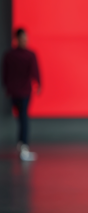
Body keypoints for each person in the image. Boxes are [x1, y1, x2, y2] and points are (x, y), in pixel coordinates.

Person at [2, 28, 40, 161]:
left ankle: (22, 145)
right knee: (22, 119)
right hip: (17, 92)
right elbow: (5, 74)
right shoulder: (11, 55)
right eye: (23, 38)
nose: (25, 41)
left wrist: (38, 84)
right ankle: (23, 146)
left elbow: (35, 72)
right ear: (17, 39)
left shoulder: (28, 54)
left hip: (22, 91)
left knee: (22, 118)